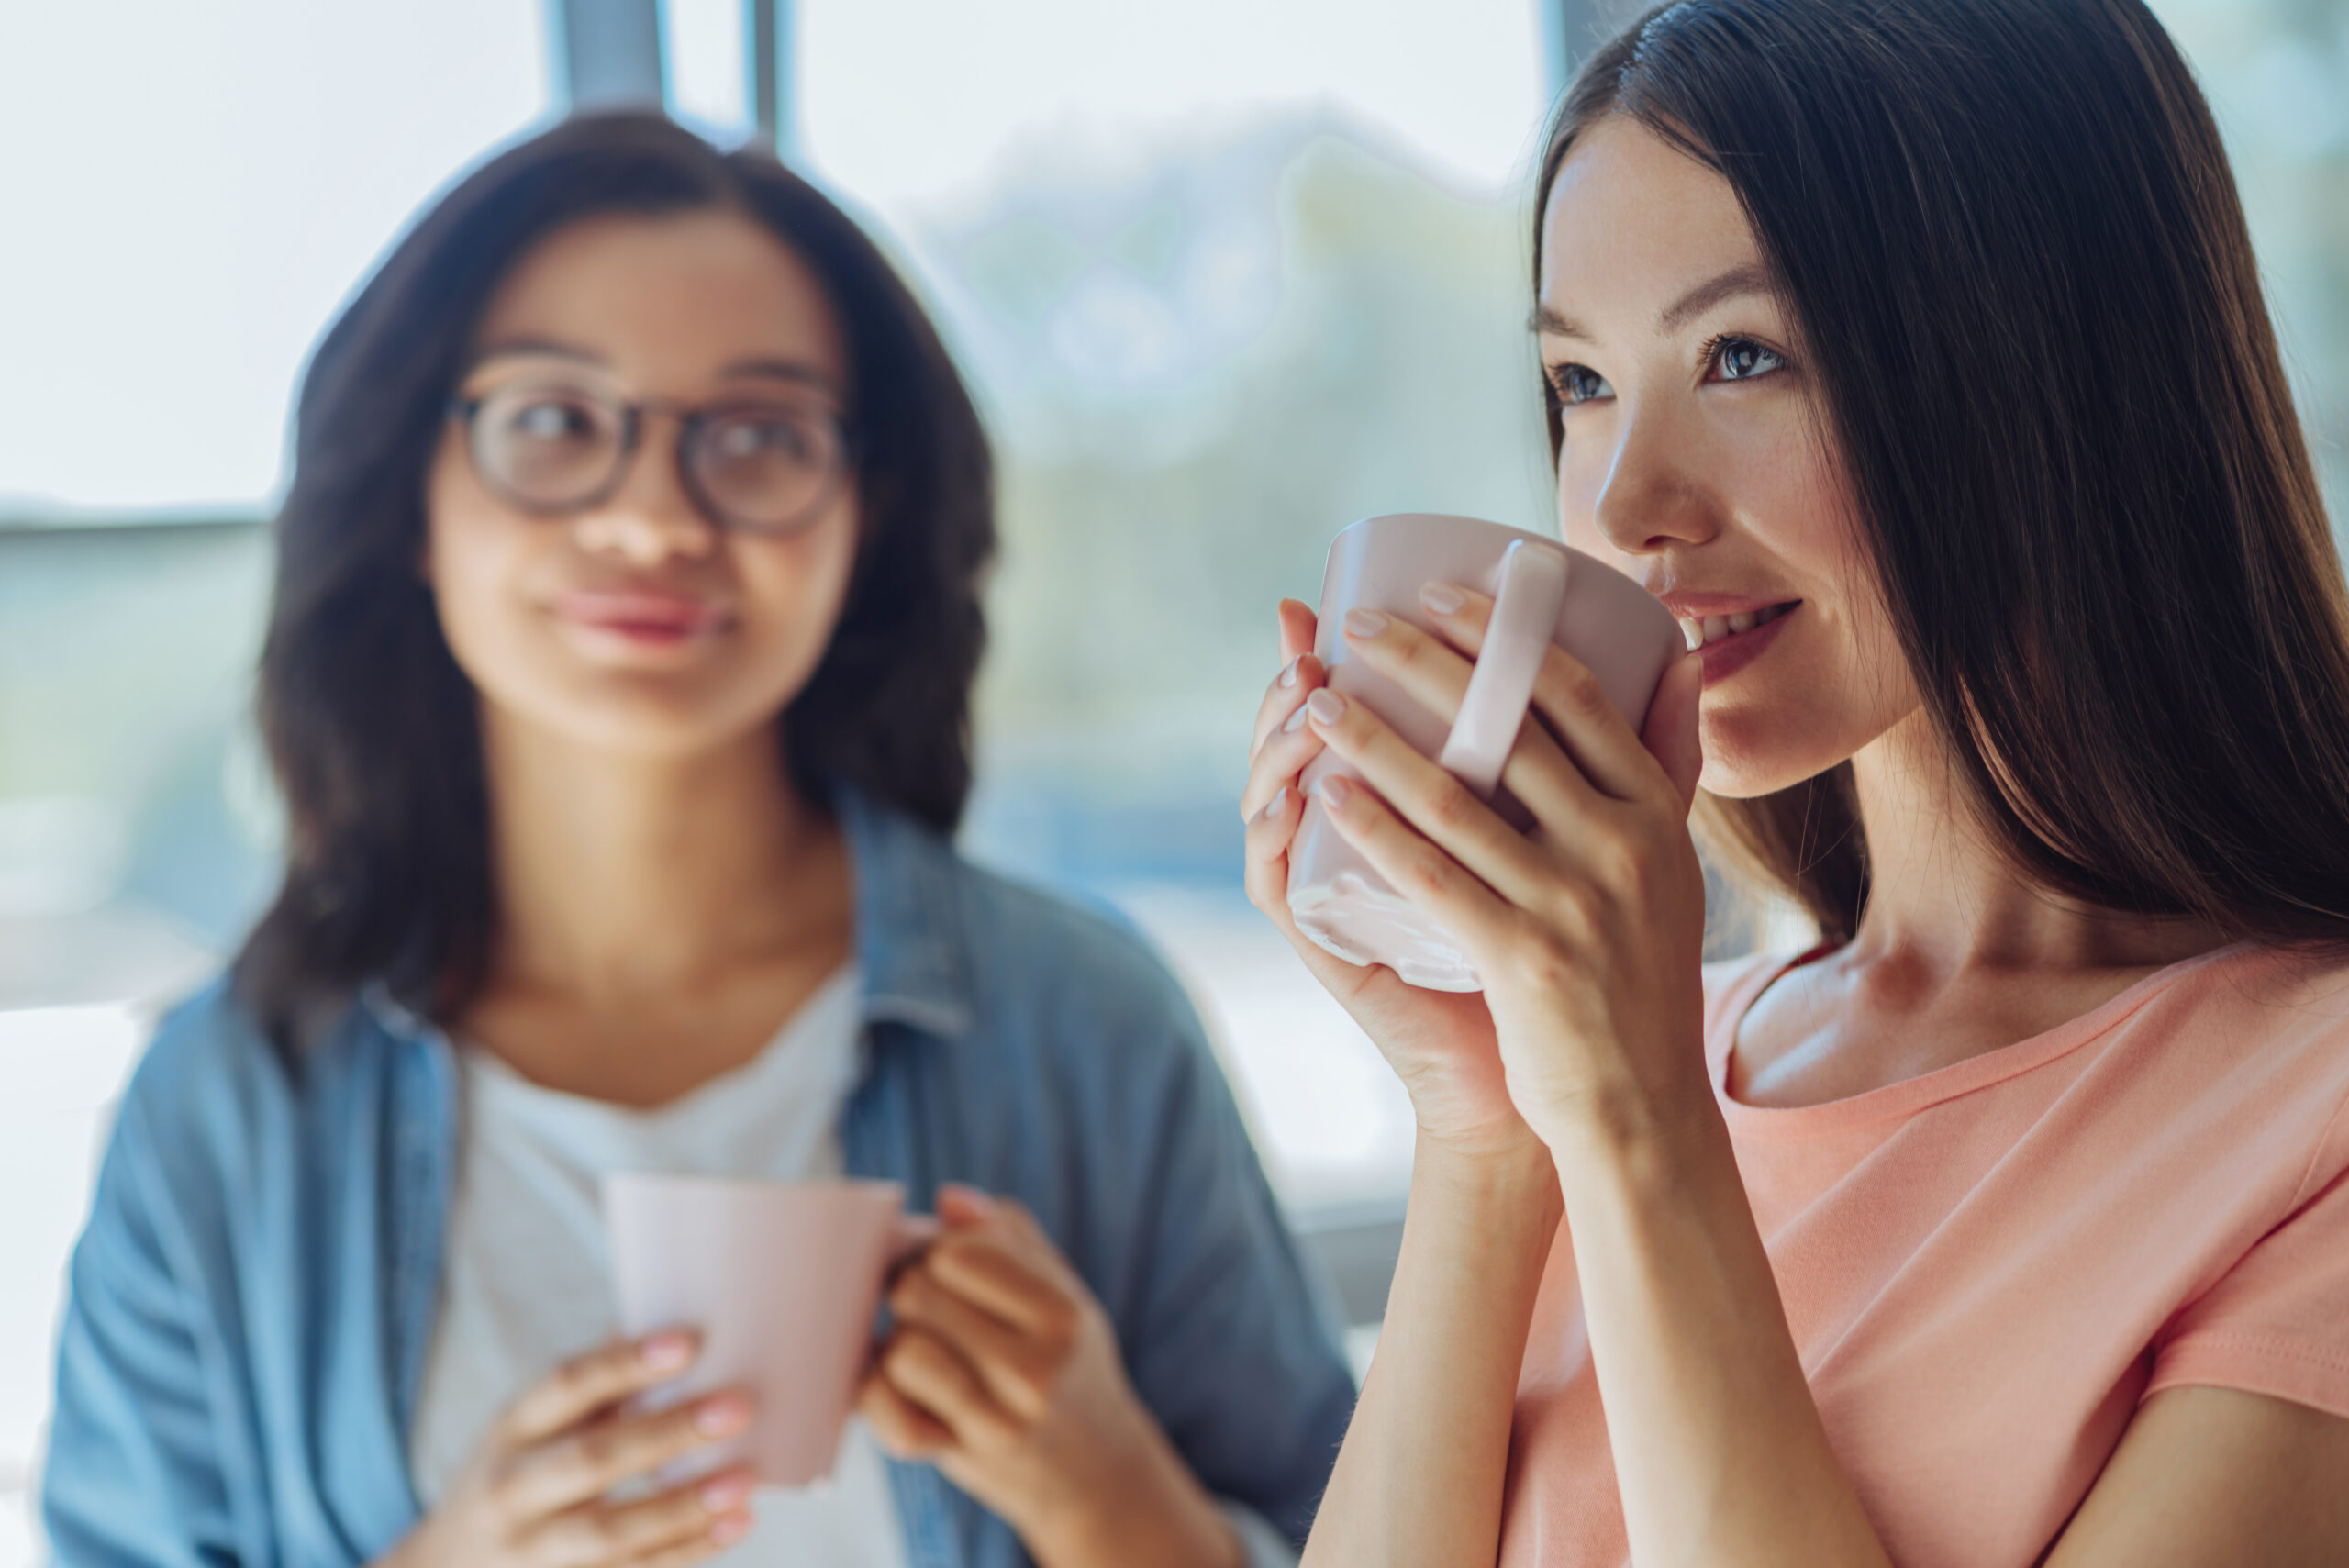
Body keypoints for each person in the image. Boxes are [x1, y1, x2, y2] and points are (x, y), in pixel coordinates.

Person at [44, 112, 1353, 1568]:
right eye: (554, 421)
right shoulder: (223, 1111)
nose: (656, 515)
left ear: (867, 513)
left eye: (759, 436)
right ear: (414, 494)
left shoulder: (1086, 1028)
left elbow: (1380, 1532)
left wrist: (1114, 1502)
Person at [1241, 0, 2349, 1562]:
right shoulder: (1608, 1057)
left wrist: (1630, 1123)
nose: (1625, 503)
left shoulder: (2310, 1118)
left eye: (1742, 355)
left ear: (2058, 366)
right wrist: (1485, 1137)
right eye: (1580, 382)